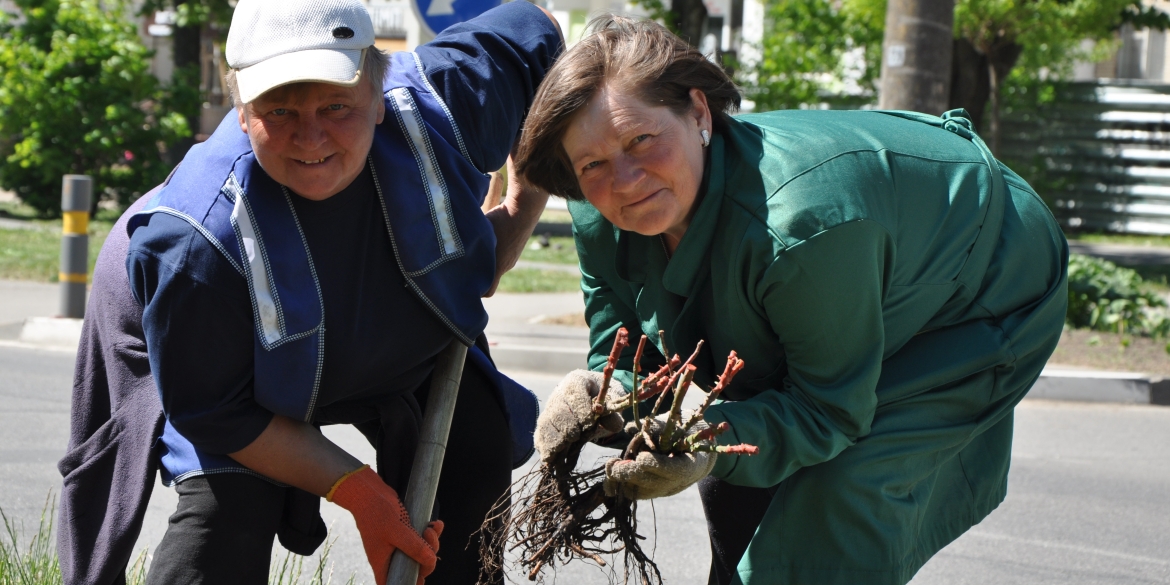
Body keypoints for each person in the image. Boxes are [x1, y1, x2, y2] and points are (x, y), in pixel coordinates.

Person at [520, 16, 1067, 585]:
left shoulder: (799, 228)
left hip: (984, 280)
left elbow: (828, 408)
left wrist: (706, 443)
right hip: (853, 263)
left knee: (839, 494)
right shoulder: (600, 214)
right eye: (594, 165)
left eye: (641, 140)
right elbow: (636, 359)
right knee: (733, 471)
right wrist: (601, 395)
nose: (626, 179)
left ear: (699, 114)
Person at [56, 0, 562, 583]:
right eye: (279, 110)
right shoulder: (193, 246)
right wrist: (361, 492)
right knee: (229, 511)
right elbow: (222, 416)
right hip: (229, 355)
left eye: (337, 105)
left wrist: (520, 212)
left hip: (387, 330)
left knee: (475, 451)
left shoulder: (447, 94)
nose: (311, 136)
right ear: (242, 111)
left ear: (378, 90)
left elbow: (543, 32)